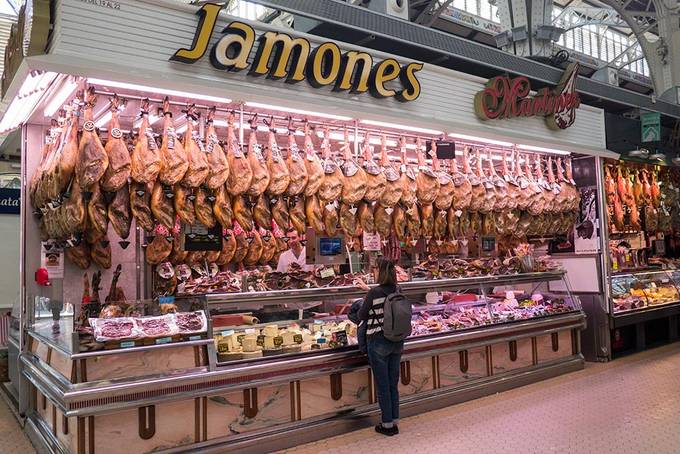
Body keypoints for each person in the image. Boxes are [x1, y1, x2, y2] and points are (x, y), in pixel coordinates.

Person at [358, 258, 403, 436]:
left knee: (383, 386)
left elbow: (361, 314)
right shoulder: (398, 289)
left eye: (375, 269)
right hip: (397, 342)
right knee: (393, 384)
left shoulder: (374, 293)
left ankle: (387, 425)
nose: (373, 272)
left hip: (378, 342)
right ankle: (395, 420)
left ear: (380, 272)